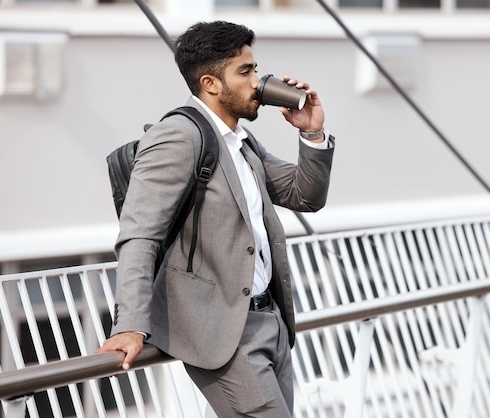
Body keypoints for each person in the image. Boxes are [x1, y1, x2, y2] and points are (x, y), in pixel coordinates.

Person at [97, 20, 335, 417]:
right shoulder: (178, 136)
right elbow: (140, 235)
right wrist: (130, 325)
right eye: (245, 72)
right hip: (223, 331)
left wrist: (312, 133)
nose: (258, 82)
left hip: (270, 320)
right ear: (210, 83)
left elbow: (304, 195)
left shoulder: (241, 141)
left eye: (256, 69)